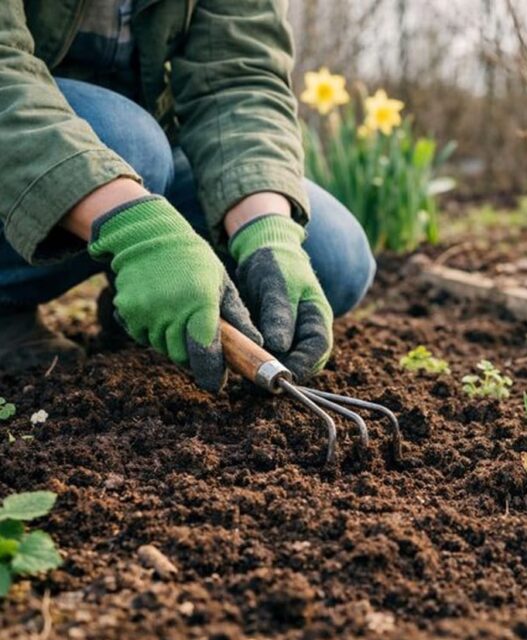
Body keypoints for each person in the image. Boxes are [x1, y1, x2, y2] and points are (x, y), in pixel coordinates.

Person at [0, 1, 376, 391]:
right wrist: (140, 233)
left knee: (332, 257)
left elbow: (238, 78)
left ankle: (147, 313)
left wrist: (269, 232)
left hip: (148, 150)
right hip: (31, 134)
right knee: (131, 143)